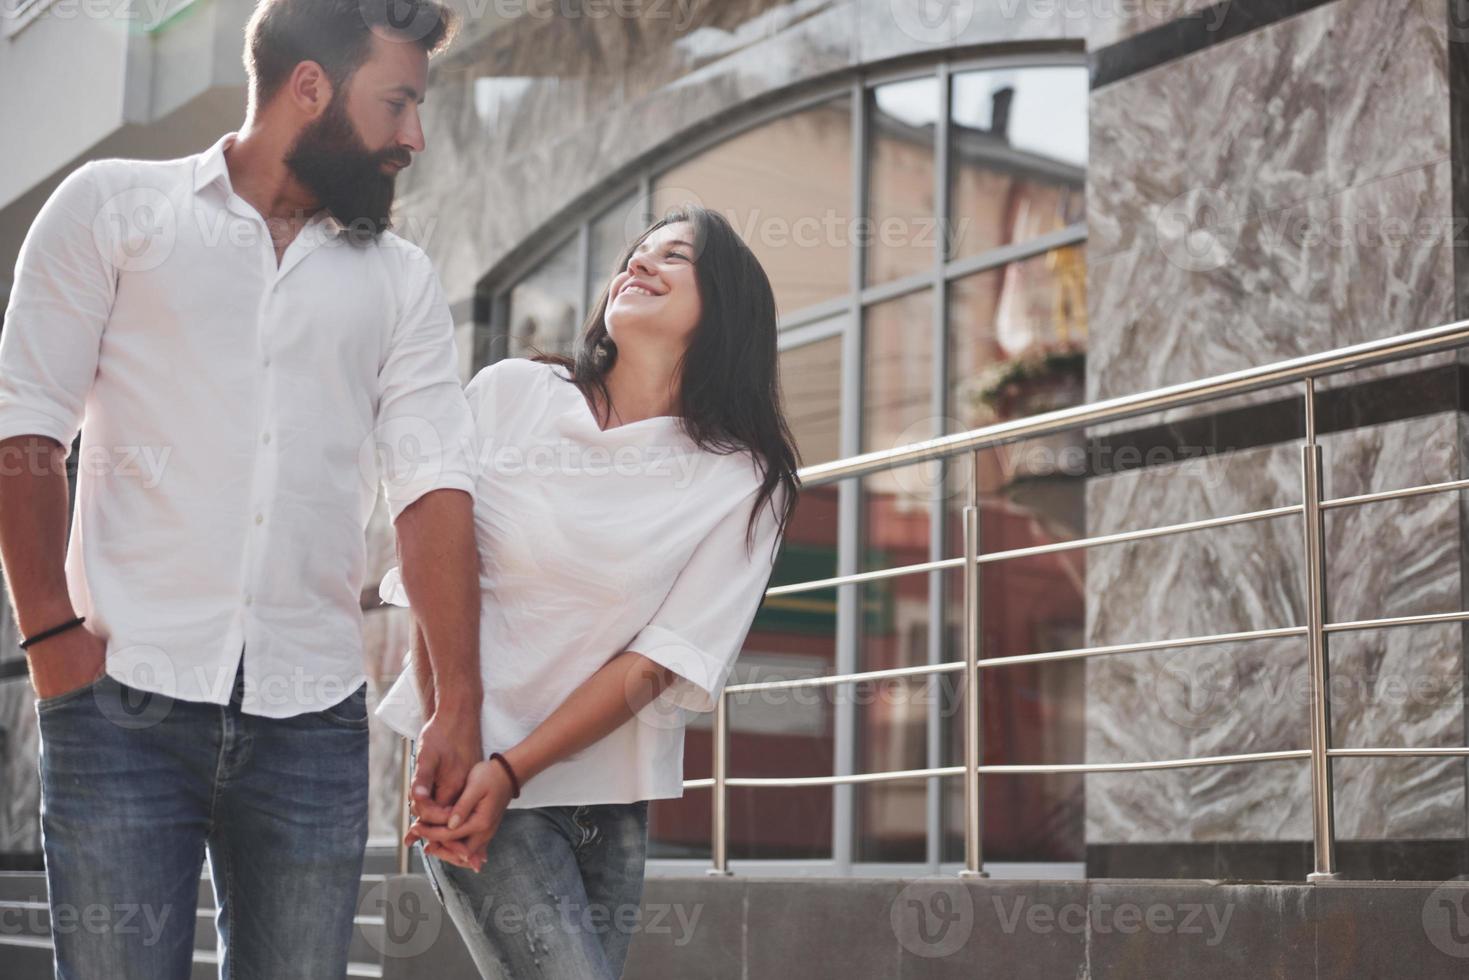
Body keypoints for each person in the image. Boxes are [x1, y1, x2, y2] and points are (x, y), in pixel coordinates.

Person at [0, 0, 484, 976]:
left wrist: (458, 701)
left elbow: (432, 488)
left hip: (313, 718)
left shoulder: (399, 278)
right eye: (396, 102)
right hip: (120, 698)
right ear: (311, 87)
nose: (413, 136)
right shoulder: (112, 206)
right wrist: (51, 637)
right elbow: (26, 431)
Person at [373, 205, 801, 979]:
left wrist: (516, 770)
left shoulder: (746, 478)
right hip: (474, 776)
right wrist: (454, 736)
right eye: (635, 253)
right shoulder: (511, 394)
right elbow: (435, 572)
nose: (639, 264)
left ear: (727, 306)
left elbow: (659, 660)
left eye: (674, 256)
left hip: (608, 802)